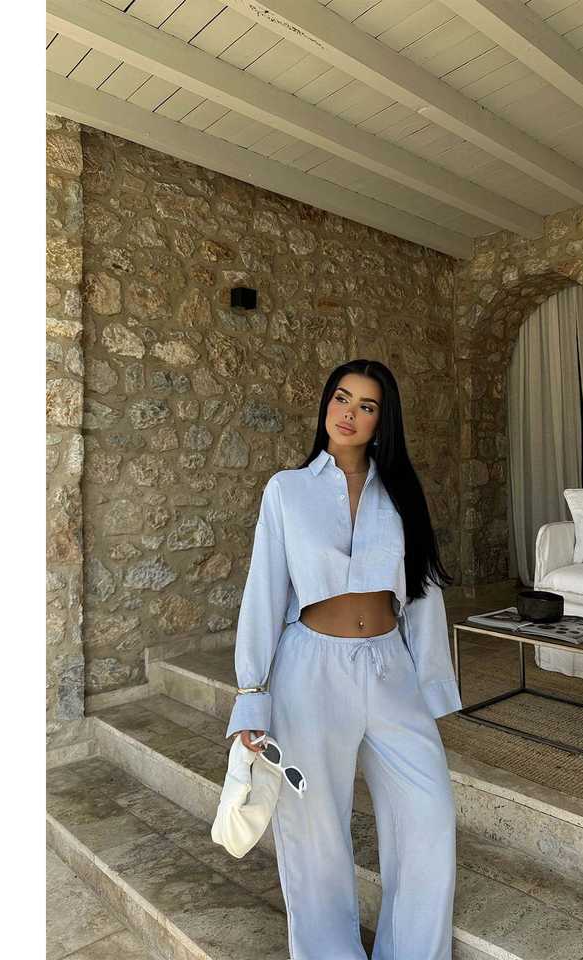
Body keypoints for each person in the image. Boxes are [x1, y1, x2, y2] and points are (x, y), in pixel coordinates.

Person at [225, 358, 462, 960]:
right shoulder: (287, 490)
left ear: (383, 421)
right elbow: (263, 592)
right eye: (341, 398)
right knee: (313, 831)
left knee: (429, 814)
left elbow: (423, 593)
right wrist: (252, 697)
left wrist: (432, 686)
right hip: (310, 672)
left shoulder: (401, 493)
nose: (349, 413)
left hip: (389, 669)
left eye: (366, 406)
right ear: (326, 404)